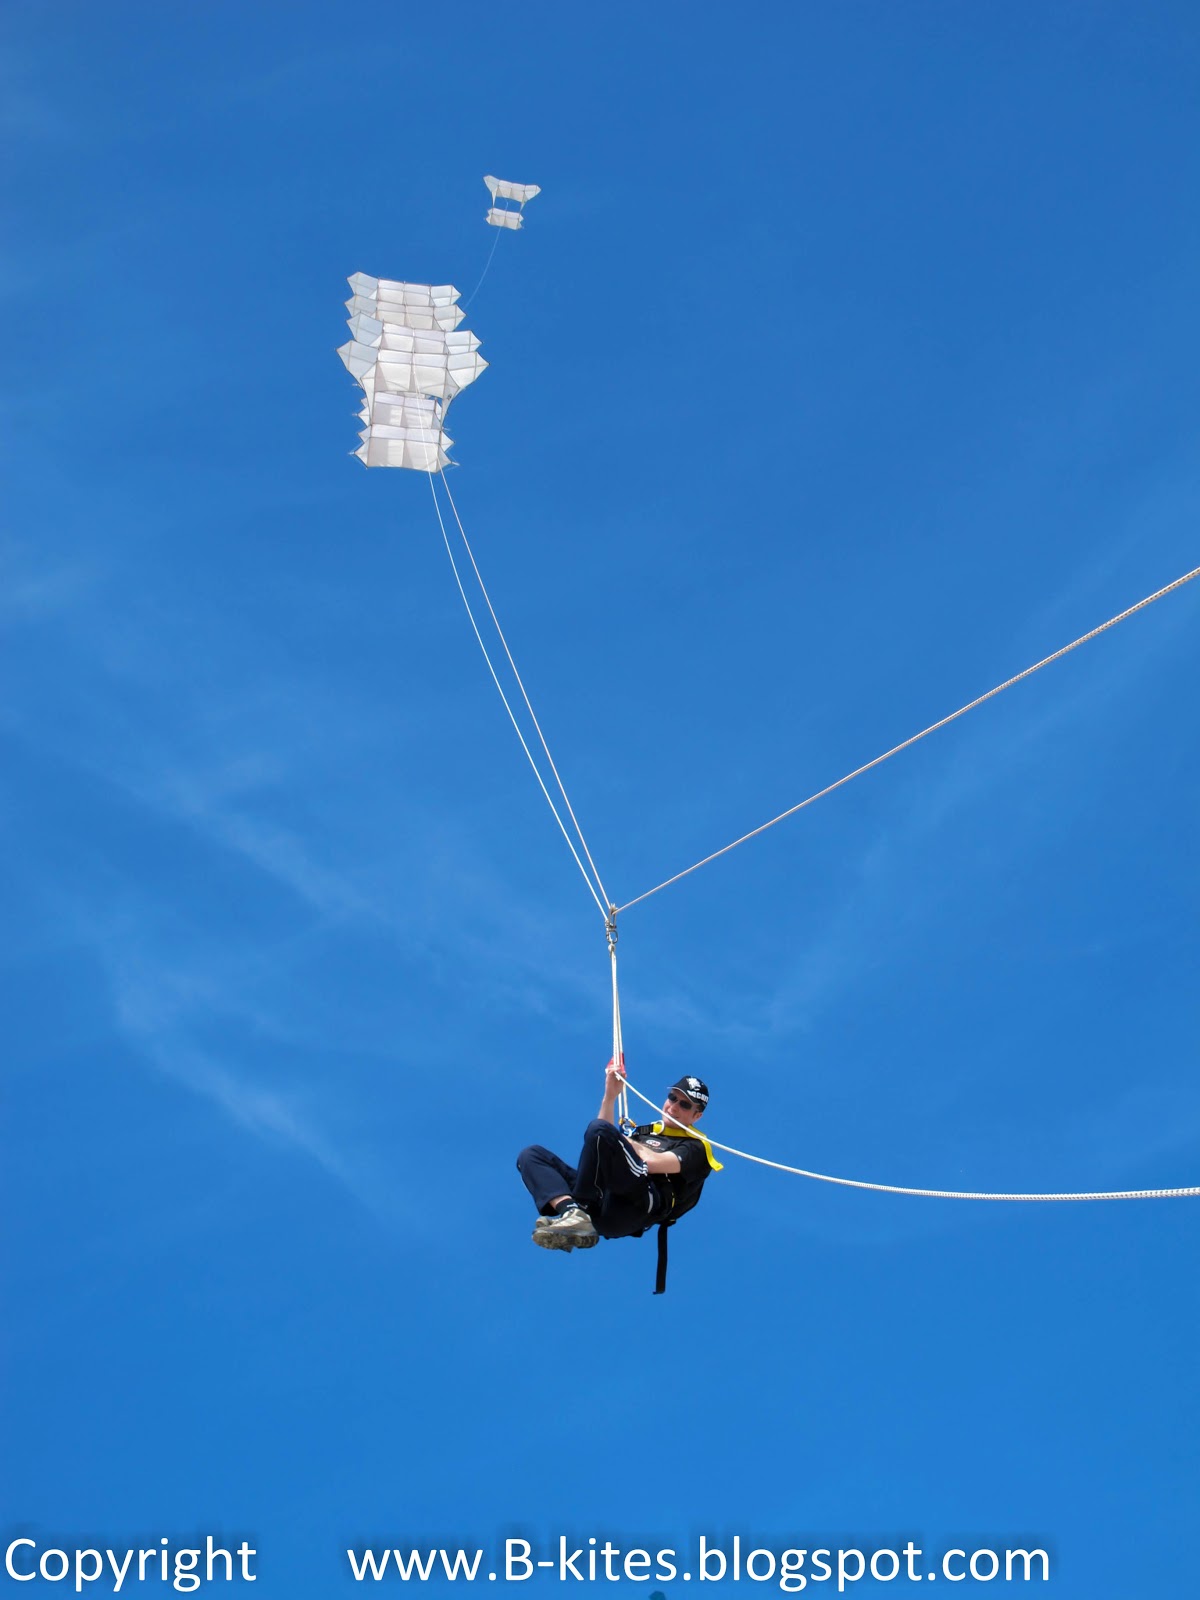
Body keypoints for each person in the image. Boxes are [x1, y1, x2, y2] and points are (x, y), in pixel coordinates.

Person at [515, 1061, 722, 1292]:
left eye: (684, 1105)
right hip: (604, 1200)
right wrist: (610, 1096)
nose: (673, 1107)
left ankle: (580, 1212)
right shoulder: (646, 1132)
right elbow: (598, 1138)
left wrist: (623, 1140)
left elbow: (650, 1163)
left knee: (601, 1131)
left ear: (697, 1116)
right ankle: (573, 1212)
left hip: (637, 1204)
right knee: (531, 1155)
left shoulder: (697, 1147)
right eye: (672, 1098)